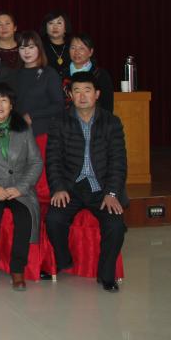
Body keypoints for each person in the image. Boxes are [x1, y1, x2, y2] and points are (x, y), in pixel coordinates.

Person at [45, 72, 128, 292]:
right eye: (77, 91)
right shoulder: (60, 122)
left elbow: (118, 162)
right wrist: (58, 188)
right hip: (71, 187)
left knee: (116, 225)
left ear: (97, 94)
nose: (82, 96)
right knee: (53, 219)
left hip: (101, 188)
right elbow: (53, 160)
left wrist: (112, 193)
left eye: (87, 90)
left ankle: (106, 274)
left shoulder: (111, 122)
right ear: (70, 95)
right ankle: (64, 260)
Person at [0, 83, 42, 291]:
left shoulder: (24, 128)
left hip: (19, 187)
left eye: (4, 100)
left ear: (11, 105)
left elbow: (36, 162)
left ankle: (17, 269)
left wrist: (21, 187)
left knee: (24, 216)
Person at [11, 31, 65, 136]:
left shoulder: (49, 73)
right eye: (22, 48)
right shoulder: (15, 74)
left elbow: (58, 105)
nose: (26, 52)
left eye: (31, 47)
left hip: (43, 132)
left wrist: (31, 115)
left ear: (39, 48)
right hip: (18, 132)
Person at [67, 33, 116, 112]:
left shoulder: (100, 75)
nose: (76, 52)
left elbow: (107, 106)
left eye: (81, 48)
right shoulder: (61, 74)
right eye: (73, 48)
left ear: (91, 52)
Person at [41, 10, 72, 79]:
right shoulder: (40, 46)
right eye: (51, 23)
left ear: (65, 27)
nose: (55, 27)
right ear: (45, 27)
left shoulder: (73, 45)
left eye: (59, 23)